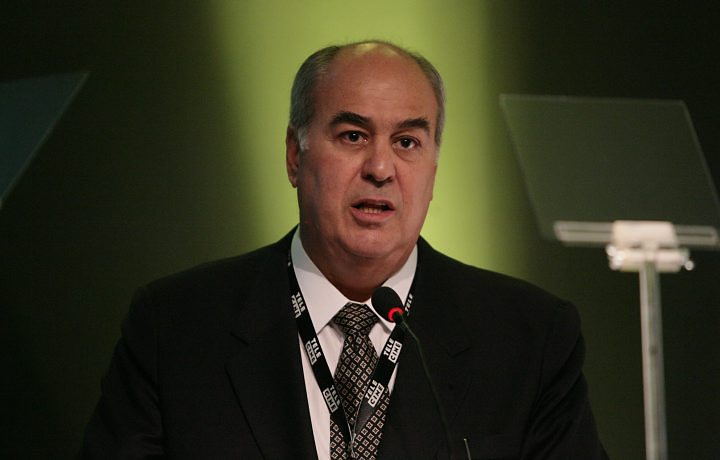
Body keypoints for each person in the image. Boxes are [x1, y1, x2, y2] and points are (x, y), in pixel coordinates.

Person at [82, 40, 608, 459]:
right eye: (354, 136)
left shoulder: (529, 338)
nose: (380, 168)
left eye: (407, 142)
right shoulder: (175, 327)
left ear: (433, 167)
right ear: (295, 155)